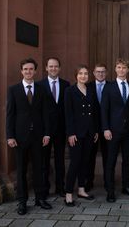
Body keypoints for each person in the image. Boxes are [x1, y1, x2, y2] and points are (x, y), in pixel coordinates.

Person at [6, 58, 53, 215]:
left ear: (35, 71)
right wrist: (10, 136)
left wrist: (47, 133)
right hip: (20, 137)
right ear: (21, 71)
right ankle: (22, 201)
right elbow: (10, 115)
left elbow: (46, 113)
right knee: (21, 170)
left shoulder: (41, 89)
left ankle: (40, 198)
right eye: (25, 69)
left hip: (38, 137)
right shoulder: (13, 90)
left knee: (39, 168)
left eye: (31, 69)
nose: (28, 72)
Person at [101, 58, 129, 202]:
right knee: (110, 161)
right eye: (119, 67)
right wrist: (105, 128)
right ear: (115, 69)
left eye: (124, 67)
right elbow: (104, 110)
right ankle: (110, 190)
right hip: (112, 131)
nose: (121, 70)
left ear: (128, 70)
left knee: (127, 160)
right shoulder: (109, 87)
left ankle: (126, 186)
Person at [63, 65, 99, 206]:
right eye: (80, 73)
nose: (83, 76)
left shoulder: (91, 90)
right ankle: (68, 193)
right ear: (76, 75)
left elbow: (95, 112)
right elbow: (68, 114)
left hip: (89, 133)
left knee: (85, 162)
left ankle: (82, 189)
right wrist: (70, 133)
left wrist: (95, 130)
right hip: (76, 134)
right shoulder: (69, 91)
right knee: (75, 163)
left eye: (85, 73)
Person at [37, 57, 70, 198]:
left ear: (60, 68)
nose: (53, 69)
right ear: (46, 68)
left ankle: (60, 187)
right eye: (50, 66)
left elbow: (68, 108)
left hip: (61, 129)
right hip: (45, 130)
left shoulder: (66, 84)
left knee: (60, 160)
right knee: (44, 160)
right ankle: (44, 188)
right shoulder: (39, 85)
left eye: (56, 66)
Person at [86, 63, 108, 192]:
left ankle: (107, 181)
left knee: (108, 156)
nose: (100, 74)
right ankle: (89, 181)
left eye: (103, 71)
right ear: (93, 73)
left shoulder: (111, 86)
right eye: (98, 71)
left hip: (107, 128)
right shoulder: (87, 87)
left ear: (106, 73)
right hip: (91, 128)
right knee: (90, 156)